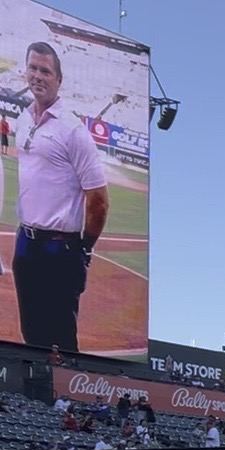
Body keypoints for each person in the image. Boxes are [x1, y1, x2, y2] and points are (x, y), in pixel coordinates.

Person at [12, 41, 110, 352]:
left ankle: (63, 399)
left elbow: (99, 200)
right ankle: (36, 395)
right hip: (25, 241)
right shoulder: (23, 118)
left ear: (58, 80)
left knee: (61, 342)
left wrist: (84, 248)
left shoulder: (73, 131)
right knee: (32, 336)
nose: (37, 76)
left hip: (59, 248)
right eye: (33, 68)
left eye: (45, 71)